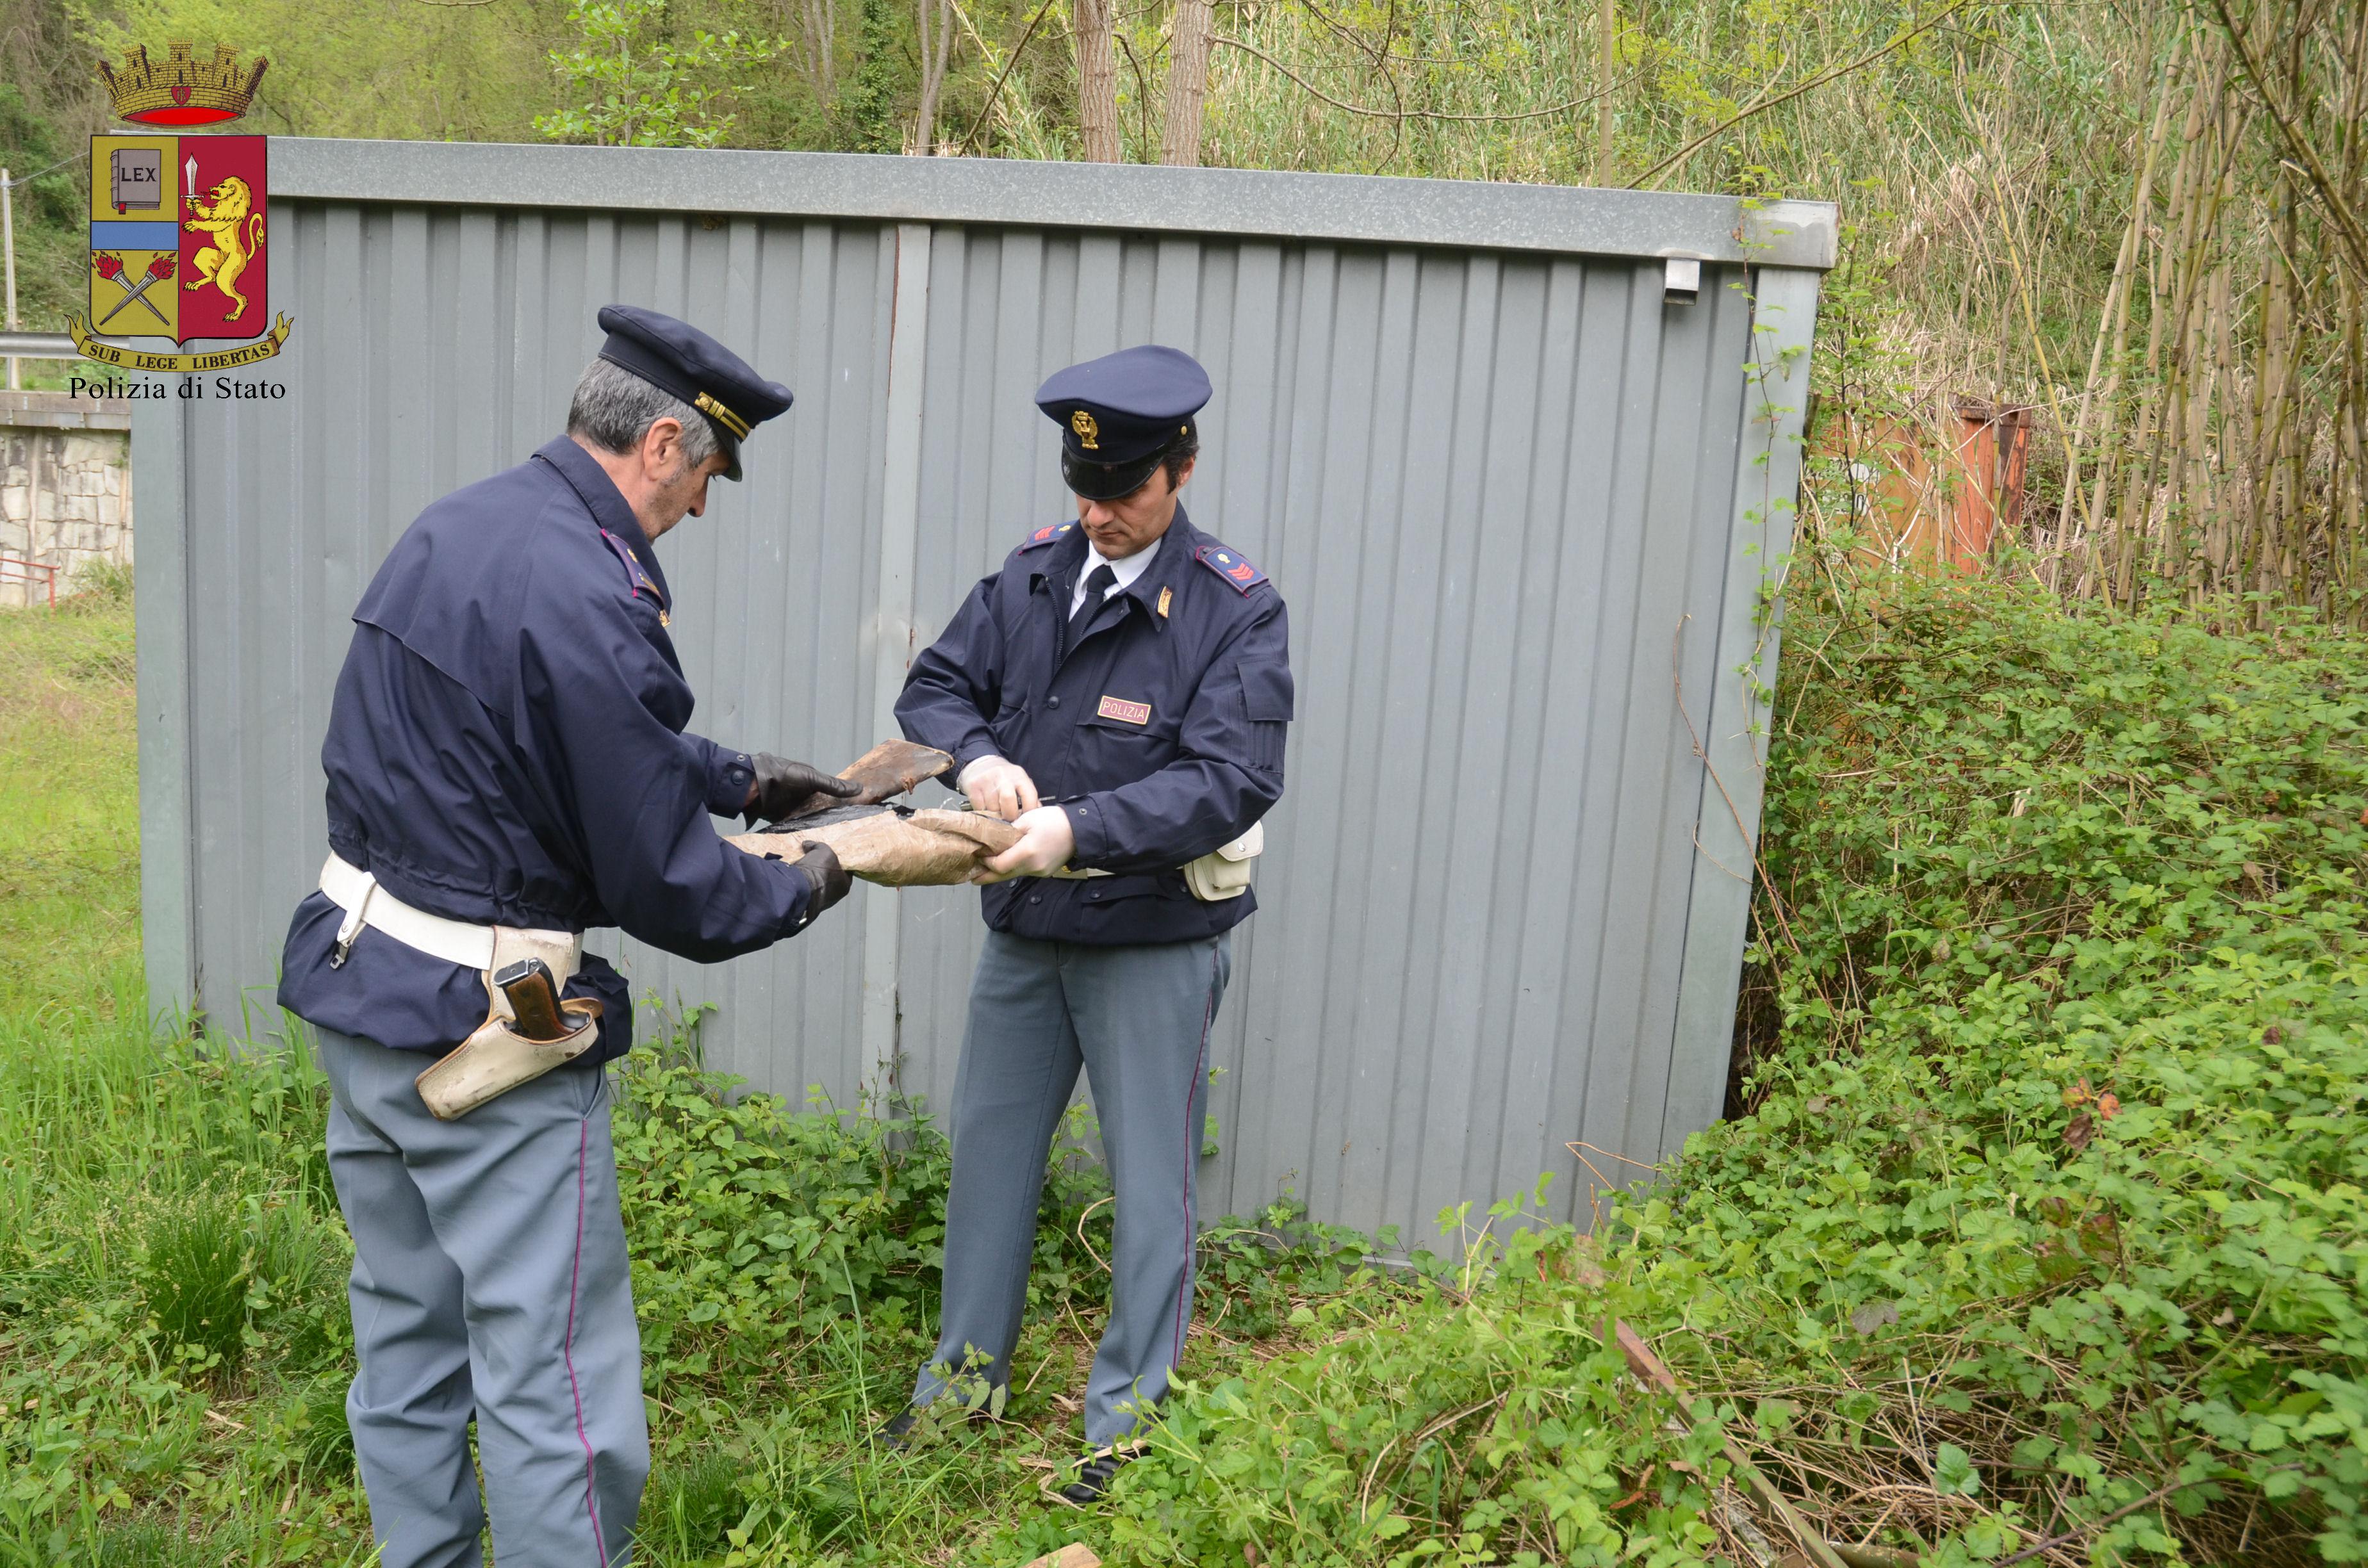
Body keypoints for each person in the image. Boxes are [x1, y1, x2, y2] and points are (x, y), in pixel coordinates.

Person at [275, 305, 860, 1568]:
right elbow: (673, 892)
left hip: (363, 995)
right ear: (662, 443)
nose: (705, 506)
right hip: (491, 1037)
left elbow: (551, 723)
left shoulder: (463, 527)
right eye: (710, 472)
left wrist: (745, 781)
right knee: (557, 1392)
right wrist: (817, 872)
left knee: (408, 1340)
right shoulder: (599, 597)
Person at [889, 343, 1294, 1505]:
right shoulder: (1030, 577)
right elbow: (935, 685)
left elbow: (1231, 780)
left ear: (1183, 467)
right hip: (1023, 935)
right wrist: (977, 758)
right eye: (1084, 490)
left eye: (1124, 493)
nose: (1099, 514)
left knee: (1151, 1184)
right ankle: (961, 1391)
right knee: (990, 1164)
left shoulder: (1232, 610)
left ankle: (1126, 1432)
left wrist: (1076, 828)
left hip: (1151, 942)